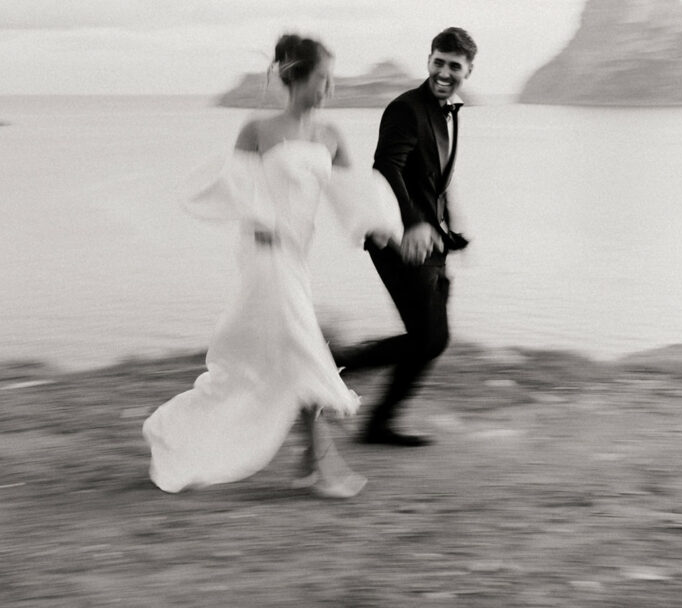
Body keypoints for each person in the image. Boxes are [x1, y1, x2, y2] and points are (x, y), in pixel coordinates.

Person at [143, 34, 400, 497]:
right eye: (322, 78)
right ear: (296, 77)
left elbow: (352, 194)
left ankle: (183, 435)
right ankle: (321, 464)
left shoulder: (330, 135)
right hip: (265, 258)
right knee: (304, 351)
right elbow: (238, 188)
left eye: (331, 79)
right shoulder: (257, 130)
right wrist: (261, 221)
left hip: (297, 260)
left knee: (281, 360)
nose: (329, 88)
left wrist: (380, 227)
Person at [336, 26, 477, 447]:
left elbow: (438, 178)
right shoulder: (406, 108)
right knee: (429, 338)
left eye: (454, 66)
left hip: (432, 241)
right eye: (439, 62)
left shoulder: (446, 112)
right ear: (428, 60)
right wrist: (414, 223)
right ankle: (329, 365)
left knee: (431, 340)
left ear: (468, 70)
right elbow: (387, 167)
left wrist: (454, 227)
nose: (445, 72)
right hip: (396, 241)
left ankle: (378, 422)